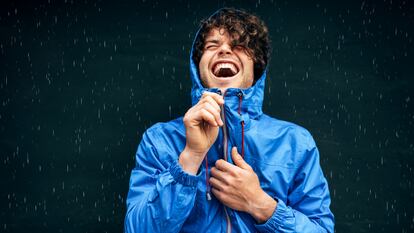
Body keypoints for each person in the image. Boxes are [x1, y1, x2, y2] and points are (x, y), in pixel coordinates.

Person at [124, 8, 334, 233]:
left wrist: (260, 203)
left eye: (239, 46)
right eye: (212, 46)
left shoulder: (295, 142)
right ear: (198, 67)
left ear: (256, 69)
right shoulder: (158, 140)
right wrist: (190, 157)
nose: (224, 49)